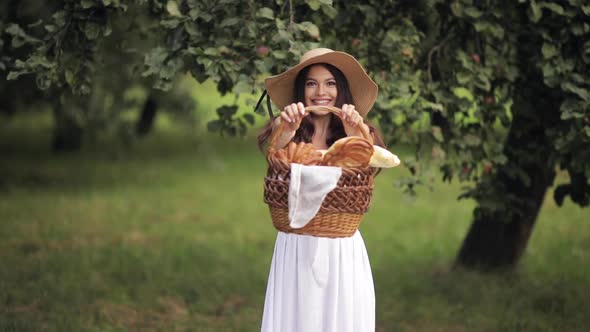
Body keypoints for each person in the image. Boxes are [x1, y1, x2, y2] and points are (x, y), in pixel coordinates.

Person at [257, 48, 385, 332]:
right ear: (301, 90)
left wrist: (355, 133)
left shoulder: (358, 133)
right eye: (311, 83)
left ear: (341, 89)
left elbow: (370, 166)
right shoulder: (289, 127)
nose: (320, 92)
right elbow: (276, 166)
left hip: (340, 246)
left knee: (339, 318)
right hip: (296, 243)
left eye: (330, 83)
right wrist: (286, 129)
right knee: (296, 318)